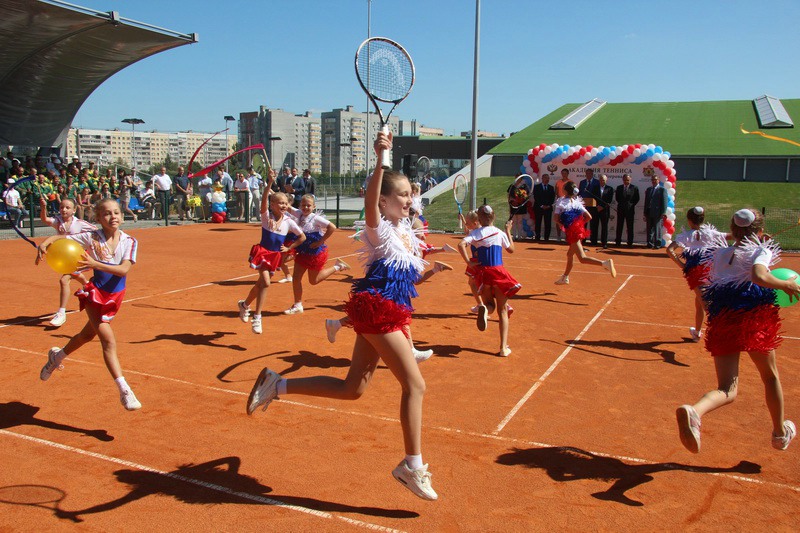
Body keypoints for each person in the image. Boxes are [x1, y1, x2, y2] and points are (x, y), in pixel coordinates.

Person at [246, 131, 438, 501]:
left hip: (391, 312)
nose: (409, 199)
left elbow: (406, 275)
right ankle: (412, 465)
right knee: (415, 386)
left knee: (353, 390)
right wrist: (381, 158)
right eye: (401, 195)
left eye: (410, 194)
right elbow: (371, 198)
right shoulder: (378, 230)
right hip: (378, 312)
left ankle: (276, 384)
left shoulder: (405, 233)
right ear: (383, 201)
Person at [676, 208, 799, 453]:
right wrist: (785, 284)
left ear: (732, 230)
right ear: (760, 231)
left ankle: (695, 411)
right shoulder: (761, 250)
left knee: (727, 389)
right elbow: (758, 275)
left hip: (723, 319)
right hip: (753, 319)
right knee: (770, 376)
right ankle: (779, 433)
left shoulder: (720, 253)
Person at [36, 198, 142, 411]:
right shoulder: (92, 236)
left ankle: (56, 357)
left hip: (115, 297)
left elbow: (123, 270)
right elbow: (64, 238)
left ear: (122, 216)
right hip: (95, 294)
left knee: (85, 336)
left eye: (116, 213)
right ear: (99, 218)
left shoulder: (130, 241)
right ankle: (124, 390)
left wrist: (95, 263)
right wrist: (46, 243)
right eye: (107, 213)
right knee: (108, 341)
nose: (112, 217)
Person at [236, 171, 305, 335]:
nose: (283, 205)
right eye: (279, 203)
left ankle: (244, 305)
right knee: (266, 283)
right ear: (272, 204)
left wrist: (289, 248)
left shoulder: (289, 221)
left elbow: (302, 237)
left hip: (275, 256)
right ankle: (257, 317)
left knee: (260, 284)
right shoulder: (266, 218)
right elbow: (263, 200)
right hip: (262, 253)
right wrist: (269, 183)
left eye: (285, 203)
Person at [459, 205, 520, 357]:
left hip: (484, 274)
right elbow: (511, 249)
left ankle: (485, 309)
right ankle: (503, 348)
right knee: (503, 310)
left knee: (490, 305)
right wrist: (508, 231)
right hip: (498, 273)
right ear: (494, 217)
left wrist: (468, 262)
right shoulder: (499, 232)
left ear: (479, 219)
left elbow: (461, 244)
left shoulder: (476, 233)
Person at [666, 207, 728, 342]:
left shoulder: (686, 236)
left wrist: (682, 265)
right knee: (699, 302)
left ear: (689, 220)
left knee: (706, 306)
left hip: (695, 273)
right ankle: (697, 332)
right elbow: (731, 236)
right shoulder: (710, 233)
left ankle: (722, 334)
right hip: (711, 270)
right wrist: (756, 236)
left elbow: (670, 250)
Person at [282, 194, 350, 315]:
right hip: (302, 251)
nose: (305, 207)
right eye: (303, 205)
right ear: (300, 205)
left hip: (315, 253)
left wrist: (320, 241)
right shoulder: (299, 213)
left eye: (308, 205)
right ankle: (298, 305)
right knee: (296, 278)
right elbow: (287, 207)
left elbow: (332, 227)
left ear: (314, 206)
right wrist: (272, 190)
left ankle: (338, 266)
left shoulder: (316, 218)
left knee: (314, 281)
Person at [37, 196, 95, 327]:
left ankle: (61, 313)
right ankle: (88, 287)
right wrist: (43, 207)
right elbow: (45, 219)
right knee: (74, 275)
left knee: (64, 280)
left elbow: (96, 232)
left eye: (67, 207)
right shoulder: (58, 221)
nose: (64, 210)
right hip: (65, 258)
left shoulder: (80, 223)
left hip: (80, 258)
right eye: (62, 207)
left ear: (74, 210)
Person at [553, 181, 616, 285]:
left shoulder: (561, 202)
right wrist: (578, 225)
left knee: (582, 258)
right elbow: (589, 217)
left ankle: (605, 263)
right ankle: (565, 277)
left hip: (572, 233)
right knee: (569, 254)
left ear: (565, 190)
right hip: (578, 231)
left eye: (563, 187)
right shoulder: (577, 202)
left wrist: (562, 224)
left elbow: (555, 218)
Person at [589, 174, 614, 248]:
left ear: (606, 180)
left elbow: (609, 200)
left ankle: (604, 243)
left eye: (603, 180)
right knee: (594, 226)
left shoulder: (610, 189)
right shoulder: (595, 188)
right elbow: (593, 198)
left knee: (604, 227)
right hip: (595, 210)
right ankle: (593, 241)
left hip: (604, 210)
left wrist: (602, 207)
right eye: (600, 180)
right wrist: (597, 206)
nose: (602, 181)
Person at [614, 173, 639, 247]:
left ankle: (630, 242)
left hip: (630, 210)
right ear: (622, 180)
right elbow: (617, 198)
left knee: (630, 226)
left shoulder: (634, 188)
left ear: (630, 180)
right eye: (624, 180)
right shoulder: (619, 187)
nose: (626, 181)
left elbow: (637, 198)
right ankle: (618, 241)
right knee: (619, 226)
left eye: (627, 180)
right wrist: (622, 204)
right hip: (621, 209)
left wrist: (630, 205)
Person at [644, 175, 667, 248]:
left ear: (658, 180)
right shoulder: (649, 189)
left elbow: (664, 202)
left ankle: (657, 244)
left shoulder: (662, 190)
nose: (654, 181)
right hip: (649, 211)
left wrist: (663, 213)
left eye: (655, 179)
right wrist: (645, 212)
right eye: (652, 180)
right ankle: (649, 243)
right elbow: (646, 201)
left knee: (657, 229)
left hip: (657, 212)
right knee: (649, 229)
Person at [533, 173, 555, 242]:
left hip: (548, 209)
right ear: (542, 178)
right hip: (539, 208)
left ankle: (546, 238)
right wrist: (542, 205)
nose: (547, 179)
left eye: (548, 178)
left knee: (548, 223)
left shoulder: (551, 188)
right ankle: (537, 237)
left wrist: (548, 205)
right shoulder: (537, 187)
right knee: (538, 223)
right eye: (545, 178)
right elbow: (536, 197)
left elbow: (552, 198)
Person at [507, 174, 530, 240]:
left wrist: (520, 199)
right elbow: (508, 195)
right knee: (513, 221)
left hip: (520, 206)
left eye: (519, 177)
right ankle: (514, 236)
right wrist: (511, 201)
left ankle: (519, 235)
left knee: (520, 221)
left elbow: (526, 195)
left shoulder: (524, 186)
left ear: (521, 178)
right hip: (513, 205)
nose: (517, 178)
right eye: (516, 177)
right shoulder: (512, 186)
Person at [554, 168, 572, 241]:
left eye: (565, 173)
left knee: (567, 220)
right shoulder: (558, 182)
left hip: (568, 203)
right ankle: (558, 236)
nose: (564, 174)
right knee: (558, 220)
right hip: (559, 203)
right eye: (562, 173)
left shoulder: (571, 182)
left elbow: (573, 194)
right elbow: (556, 192)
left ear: (568, 174)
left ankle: (567, 236)